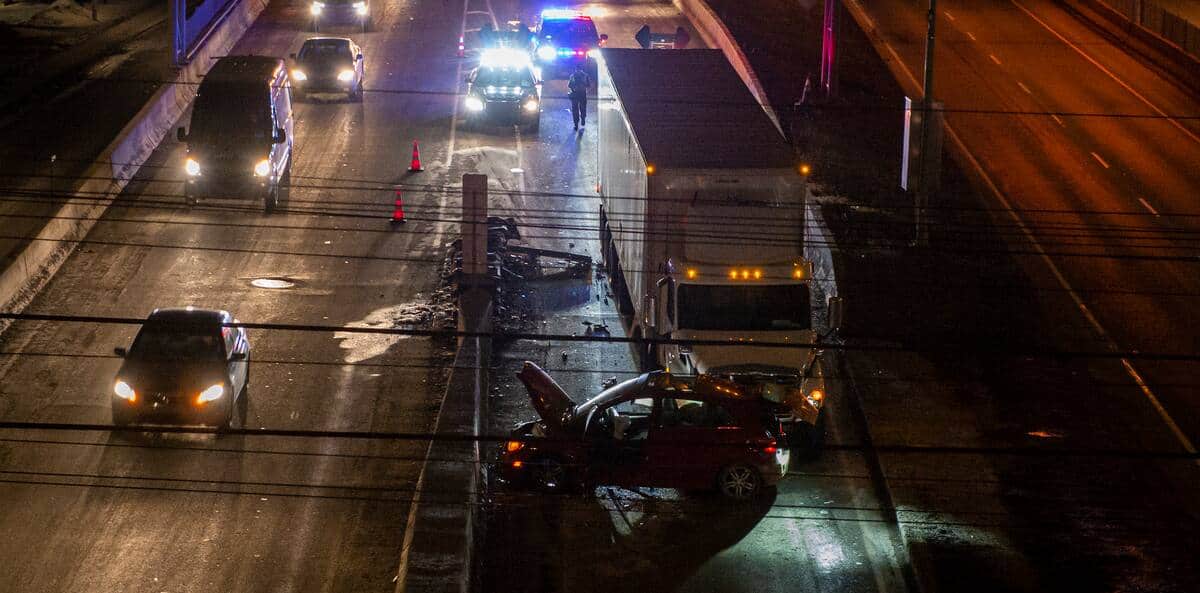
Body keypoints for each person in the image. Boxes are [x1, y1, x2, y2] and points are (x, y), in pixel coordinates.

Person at [567, 65, 590, 131]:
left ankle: (576, 124)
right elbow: (588, 85)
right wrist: (583, 86)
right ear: (581, 69)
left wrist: (574, 88)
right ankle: (582, 119)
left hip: (575, 94)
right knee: (583, 108)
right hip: (582, 94)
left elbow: (569, 85)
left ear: (575, 69)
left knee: (575, 110)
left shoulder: (572, 76)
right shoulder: (585, 75)